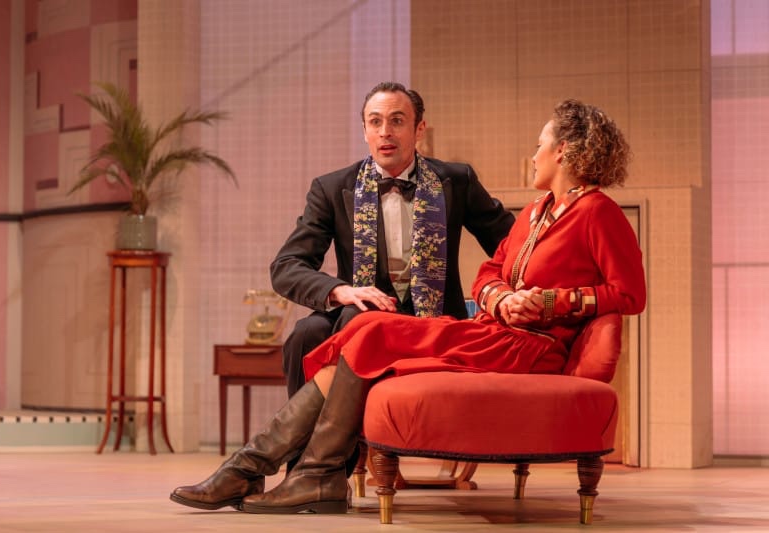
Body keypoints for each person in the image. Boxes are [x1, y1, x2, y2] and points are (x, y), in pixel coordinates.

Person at [170, 98, 647, 516]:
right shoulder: (536, 212)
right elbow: (491, 270)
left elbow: (630, 294)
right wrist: (501, 296)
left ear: (562, 151)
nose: (534, 153)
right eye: (375, 121)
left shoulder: (597, 212)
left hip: (533, 345)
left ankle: (276, 471)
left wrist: (547, 301)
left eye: (539, 144)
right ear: (364, 128)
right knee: (358, 329)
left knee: (371, 331)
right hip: (494, 330)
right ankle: (277, 471)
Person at [168, 82, 514, 512]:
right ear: (364, 130)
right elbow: (287, 265)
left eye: (397, 121)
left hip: (431, 324)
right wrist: (340, 289)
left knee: (354, 325)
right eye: (375, 122)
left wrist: (510, 292)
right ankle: (302, 470)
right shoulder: (334, 188)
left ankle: (297, 473)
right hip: (360, 312)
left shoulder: (455, 181)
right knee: (306, 334)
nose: (385, 132)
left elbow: (511, 243)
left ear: (419, 129)